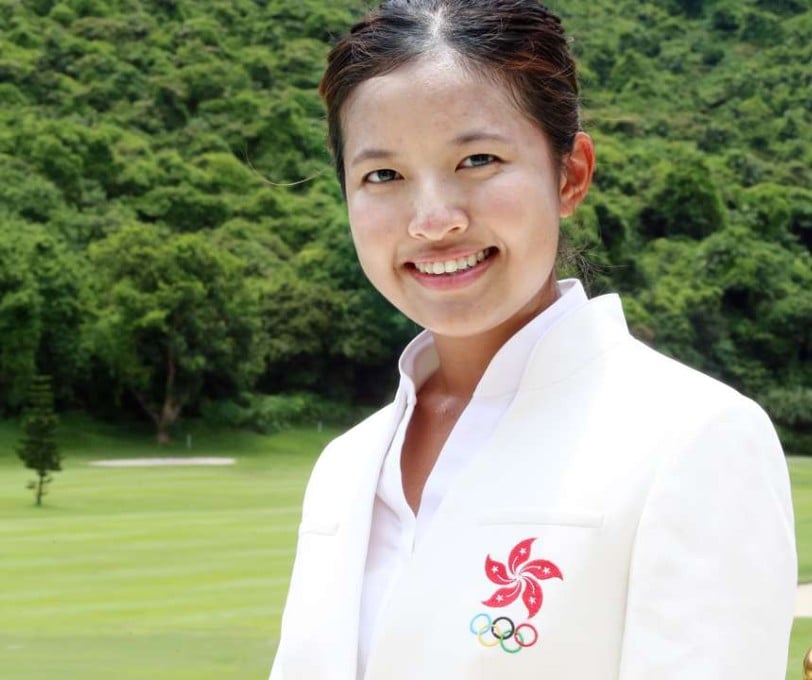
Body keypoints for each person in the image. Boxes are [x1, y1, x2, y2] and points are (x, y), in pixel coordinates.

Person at [269, 1, 797, 678]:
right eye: (383, 175)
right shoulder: (344, 468)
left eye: (478, 159)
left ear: (570, 173)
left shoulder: (695, 438)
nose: (434, 220)